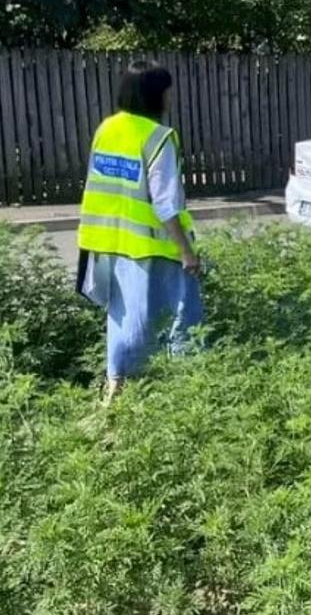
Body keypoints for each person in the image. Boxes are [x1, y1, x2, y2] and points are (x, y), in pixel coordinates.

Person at [76, 60, 203, 406]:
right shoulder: (159, 138)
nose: (171, 98)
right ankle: (183, 398)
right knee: (179, 319)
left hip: (109, 245)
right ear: (156, 95)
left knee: (123, 320)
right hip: (153, 248)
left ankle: (114, 394)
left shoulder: (108, 128)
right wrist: (187, 253)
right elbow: (166, 204)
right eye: (168, 92)